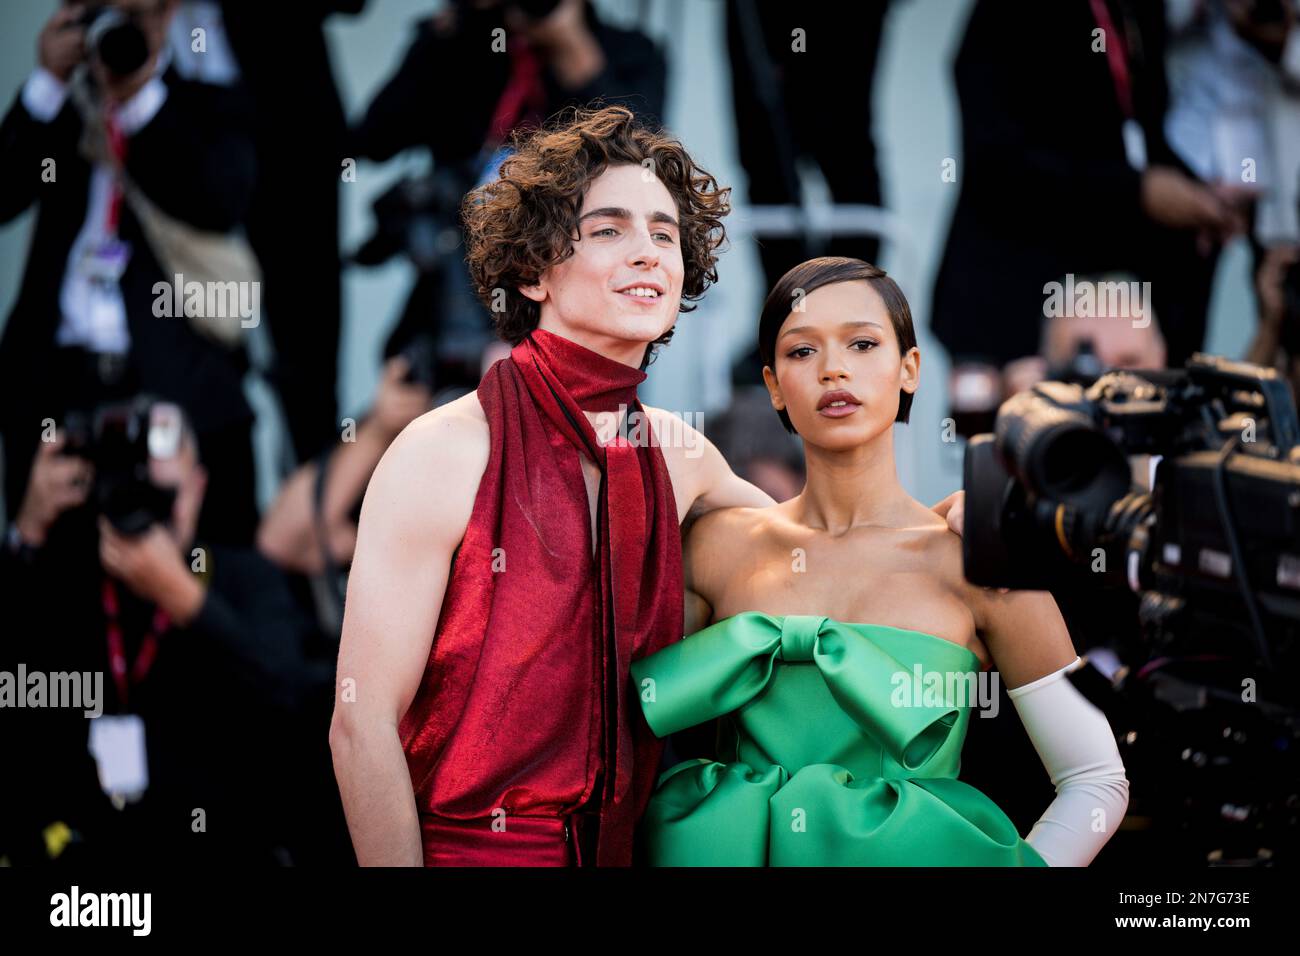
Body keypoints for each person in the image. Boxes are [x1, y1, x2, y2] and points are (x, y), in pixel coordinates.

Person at [328, 107, 968, 867]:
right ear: (532, 271)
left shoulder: (681, 455)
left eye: (665, 235)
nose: (648, 254)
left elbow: (822, 554)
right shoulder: (444, 449)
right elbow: (359, 725)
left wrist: (939, 527)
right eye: (609, 230)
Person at [632, 257, 1130, 866]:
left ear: (910, 369)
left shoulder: (975, 558)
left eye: (863, 344)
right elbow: (605, 720)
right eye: (801, 352)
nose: (834, 368)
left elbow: (1095, 779)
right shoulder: (713, 547)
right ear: (771, 384)